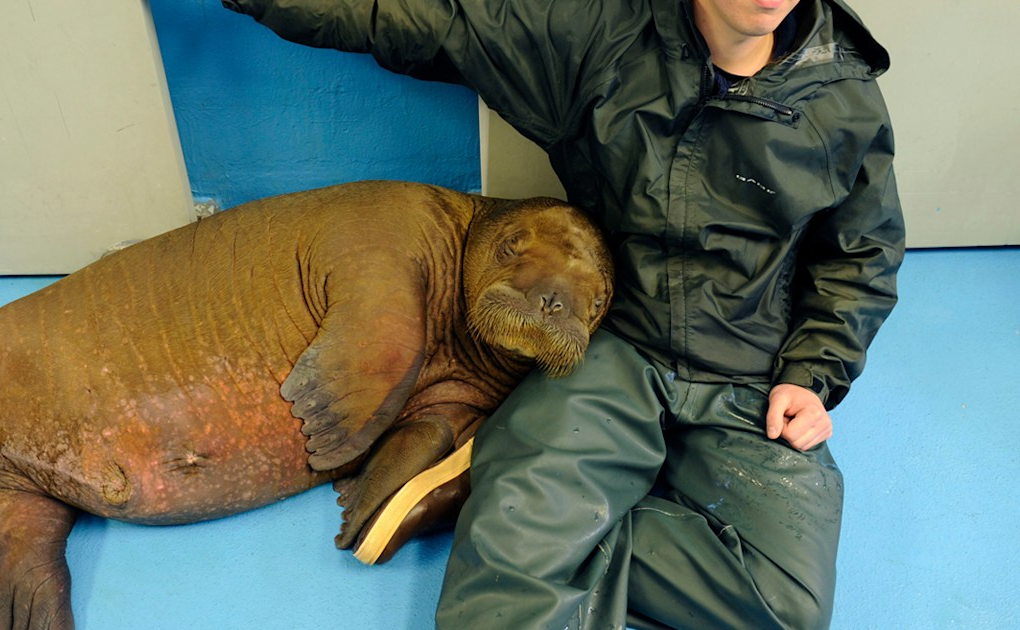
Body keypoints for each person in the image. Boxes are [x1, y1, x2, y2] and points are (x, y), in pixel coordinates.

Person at [221, 0, 905, 627]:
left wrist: (812, 374)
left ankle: (515, 492)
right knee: (504, 582)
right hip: (615, 345)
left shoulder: (842, 99)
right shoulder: (603, 41)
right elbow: (422, 17)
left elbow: (861, 255)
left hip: (750, 371)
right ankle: (524, 508)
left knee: (787, 610)